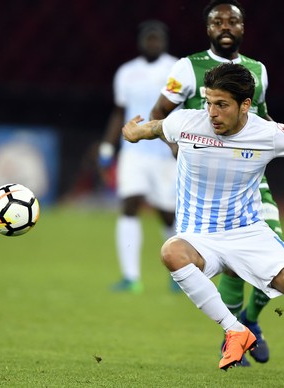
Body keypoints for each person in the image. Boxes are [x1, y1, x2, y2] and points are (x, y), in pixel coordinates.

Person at [124, 62, 284, 387]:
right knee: (171, 251)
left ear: (245, 105)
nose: (212, 112)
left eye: (222, 104)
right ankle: (235, 329)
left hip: (250, 235)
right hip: (199, 237)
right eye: (209, 102)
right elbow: (156, 127)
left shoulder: (268, 133)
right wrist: (133, 132)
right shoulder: (186, 123)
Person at [150, 0, 277, 365]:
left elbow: (263, 119)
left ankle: (249, 321)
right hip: (208, 183)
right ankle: (234, 334)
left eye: (232, 21)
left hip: (251, 178)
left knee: (275, 249)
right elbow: (160, 115)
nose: (225, 26)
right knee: (234, 261)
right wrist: (180, 152)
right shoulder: (187, 67)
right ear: (208, 29)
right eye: (217, 21)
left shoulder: (258, 70)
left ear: (242, 28)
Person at [98, 20, 178, 293]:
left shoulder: (175, 69)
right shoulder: (126, 72)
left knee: (167, 214)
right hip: (133, 151)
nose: (153, 43)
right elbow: (119, 112)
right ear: (141, 42)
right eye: (149, 39)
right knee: (129, 204)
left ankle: (179, 274)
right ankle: (131, 277)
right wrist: (107, 149)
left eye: (157, 39)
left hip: (164, 152)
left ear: (164, 42)